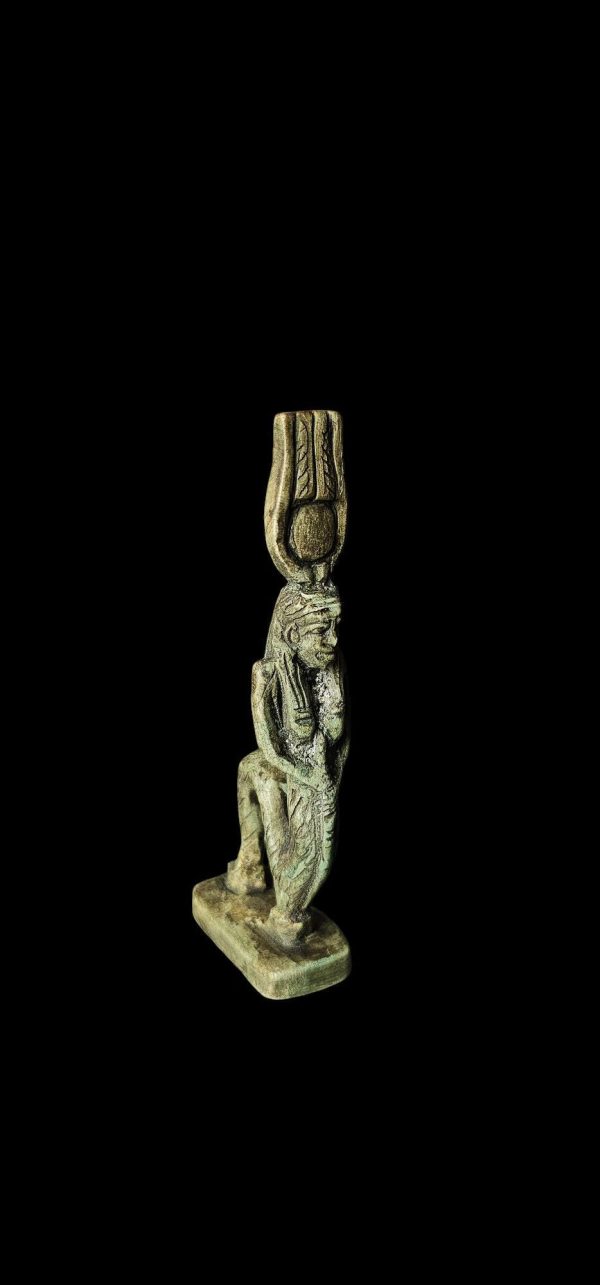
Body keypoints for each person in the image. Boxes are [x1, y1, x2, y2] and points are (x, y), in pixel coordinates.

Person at [226, 580, 349, 946]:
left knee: (312, 870)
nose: (334, 639)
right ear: (293, 633)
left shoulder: (332, 667)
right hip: (293, 771)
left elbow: (339, 736)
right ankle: (251, 865)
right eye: (322, 630)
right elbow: (271, 747)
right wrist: (305, 777)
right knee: (255, 770)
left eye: (337, 625)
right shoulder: (266, 673)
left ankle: (281, 906)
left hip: (320, 775)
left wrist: (330, 777)